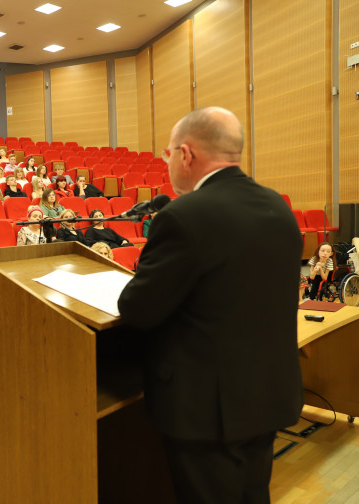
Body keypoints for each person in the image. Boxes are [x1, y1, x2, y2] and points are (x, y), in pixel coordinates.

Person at [117, 107, 303, 504]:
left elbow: (137, 309)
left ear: (186, 154)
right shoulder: (277, 207)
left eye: (167, 154)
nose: (167, 163)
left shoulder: (184, 217)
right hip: (267, 394)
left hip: (207, 410)